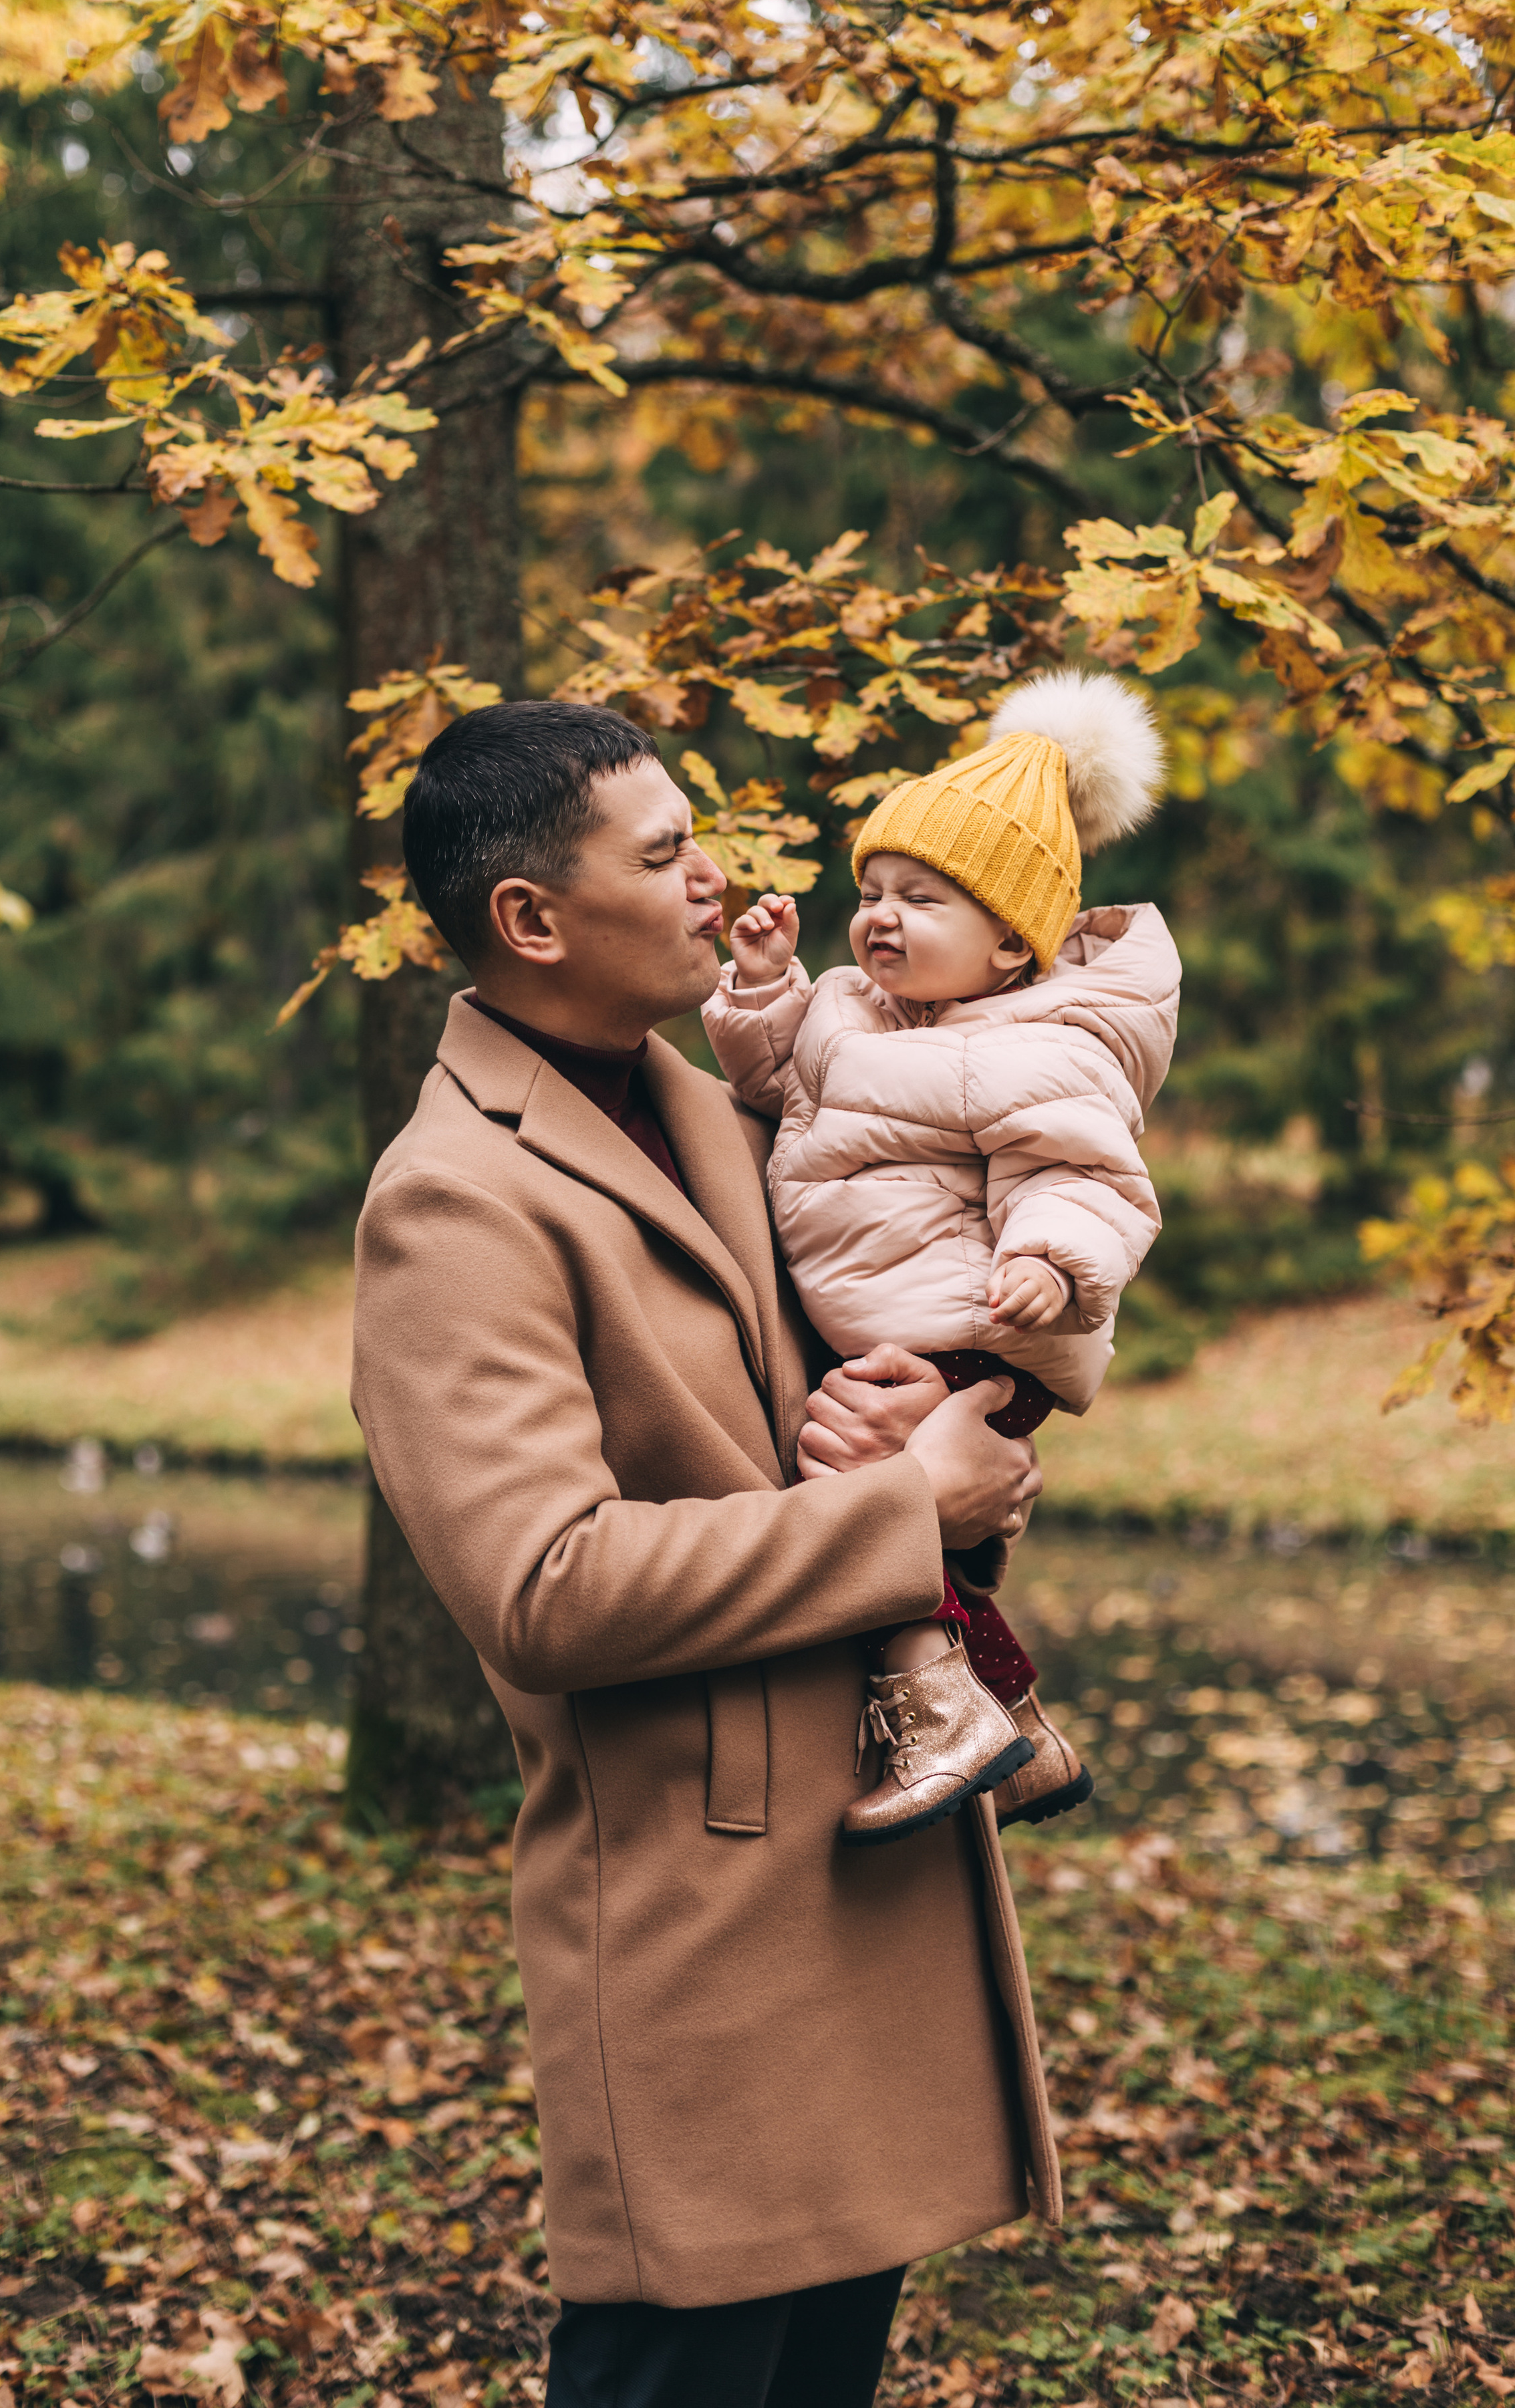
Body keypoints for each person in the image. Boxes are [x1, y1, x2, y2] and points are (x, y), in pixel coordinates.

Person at [350, 701, 1059, 2408]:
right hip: (695, 1921)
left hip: (861, 1851)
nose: (710, 876)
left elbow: (825, 1424)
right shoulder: (451, 1199)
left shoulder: (736, 1104)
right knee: (682, 2368)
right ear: (530, 920)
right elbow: (543, 1589)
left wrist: (943, 1445)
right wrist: (906, 1517)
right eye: (662, 853)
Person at [702, 670, 1180, 1848]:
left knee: (860, 1495)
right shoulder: (853, 1012)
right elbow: (775, 1084)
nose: (880, 918)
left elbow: (1086, 1176)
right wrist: (766, 986)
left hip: (981, 1323)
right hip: (895, 1316)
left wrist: (1055, 1266)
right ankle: (1017, 1724)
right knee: (888, 1502)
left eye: (923, 897)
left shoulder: (1037, 1044)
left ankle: (941, 1714)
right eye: (872, 890)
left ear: (1013, 944)